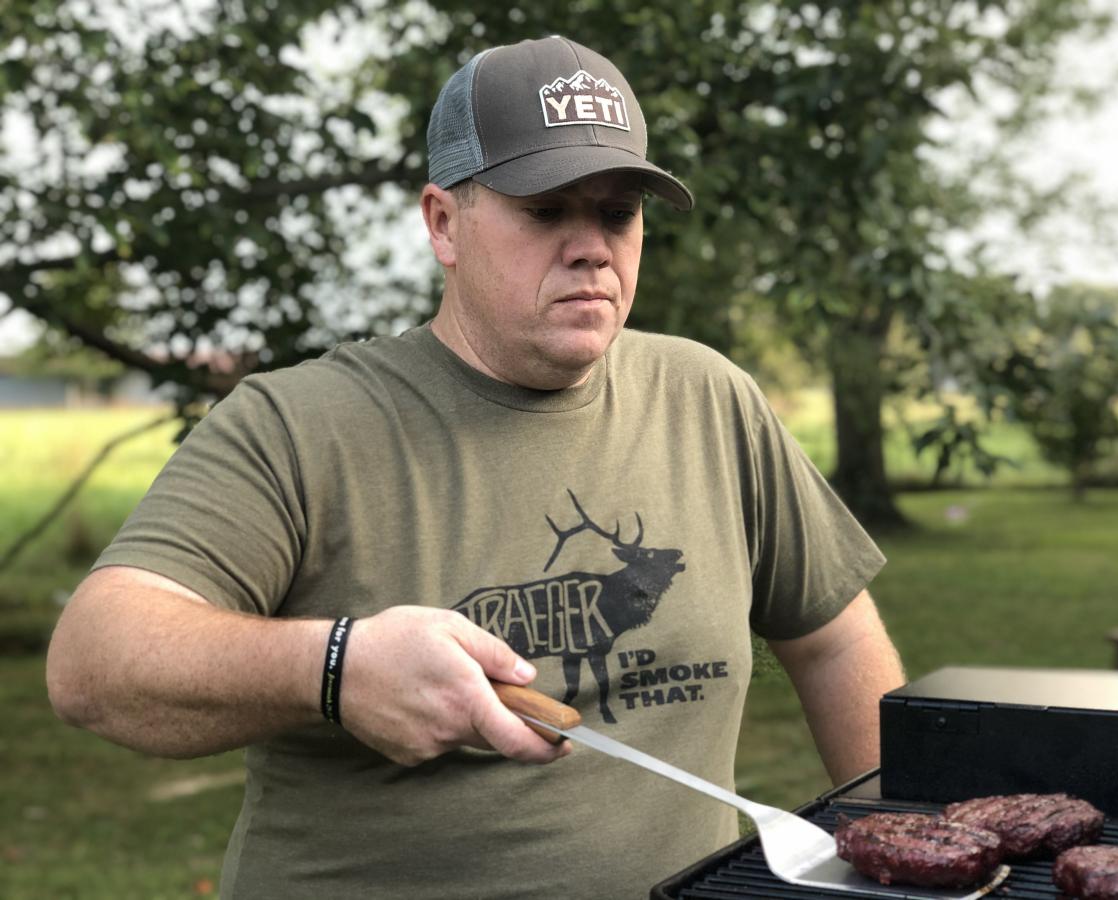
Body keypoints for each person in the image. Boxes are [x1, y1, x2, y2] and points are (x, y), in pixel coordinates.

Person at [46, 35, 905, 899]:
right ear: (443, 223)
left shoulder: (708, 398)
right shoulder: (300, 425)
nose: (592, 249)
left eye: (616, 214)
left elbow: (835, 642)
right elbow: (95, 662)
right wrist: (337, 667)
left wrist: (906, 852)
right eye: (546, 211)